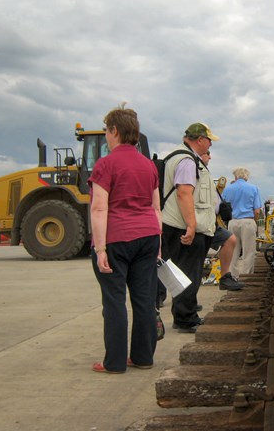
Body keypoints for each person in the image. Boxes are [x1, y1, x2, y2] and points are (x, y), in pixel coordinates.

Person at [89, 105, 162, 373]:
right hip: (148, 236)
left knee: (114, 301)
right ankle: (143, 358)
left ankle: (115, 362)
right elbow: (155, 208)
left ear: (115, 131)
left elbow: (99, 208)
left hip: (116, 238)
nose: (106, 137)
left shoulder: (105, 164)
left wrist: (100, 249)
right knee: (144, 300)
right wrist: (158, 244)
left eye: (107, 132)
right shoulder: (148, 166)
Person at [161, 122, 218, 333]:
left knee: (185, 273)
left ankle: (184, 313)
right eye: (209, 140)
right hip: (184, 226)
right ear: (200, 140)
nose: (211, 144)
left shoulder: (183, 157)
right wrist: (191, 225)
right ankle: (186, 318)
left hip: (178, 224)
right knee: (189, 273)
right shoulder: (187, 161)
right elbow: (184, 193)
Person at [199, 150, 245, 291]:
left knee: (230, 239)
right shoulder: (193, 170)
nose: (210, 156)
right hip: (199, 220)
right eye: (207, 154)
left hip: (212, 221)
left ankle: (226, 277)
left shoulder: (205, 172)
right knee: (247, 252)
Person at [222, 167, 262, 277]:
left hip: (233, 221)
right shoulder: (254, 188)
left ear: (235, 176)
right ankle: (246, 276)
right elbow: (257, 210)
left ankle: (233, 276)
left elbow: (223, 206)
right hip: (248, 221)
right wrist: (254, 220)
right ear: (246, 177)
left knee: (233, 252)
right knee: (248, 252)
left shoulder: (228, 189)